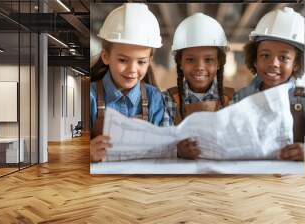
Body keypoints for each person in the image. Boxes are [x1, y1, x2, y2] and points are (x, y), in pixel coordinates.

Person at [90, 3, 166, 162]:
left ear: (150, 61)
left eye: (141, 62)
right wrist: (87, 152)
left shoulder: (154, 98)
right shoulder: (89, 96)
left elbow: (167, 146)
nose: (132, 69)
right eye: (123, 60)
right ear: (106, 56)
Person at [232, 7, 305, 161]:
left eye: (284, 58)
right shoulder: (241, 96)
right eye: (265, 55)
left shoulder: (304, 99)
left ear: (296, 64)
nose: (273, 63)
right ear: (255, 60)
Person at [161, 13, 234, 159]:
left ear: (219, 63)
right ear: (180, 63)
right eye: (190, 60)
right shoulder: (168, 99)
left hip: (220, 178)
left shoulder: (232, 99)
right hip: (178, 178)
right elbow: (162, 145)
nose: (200, 67)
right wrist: (177, 151)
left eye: (208, 60)